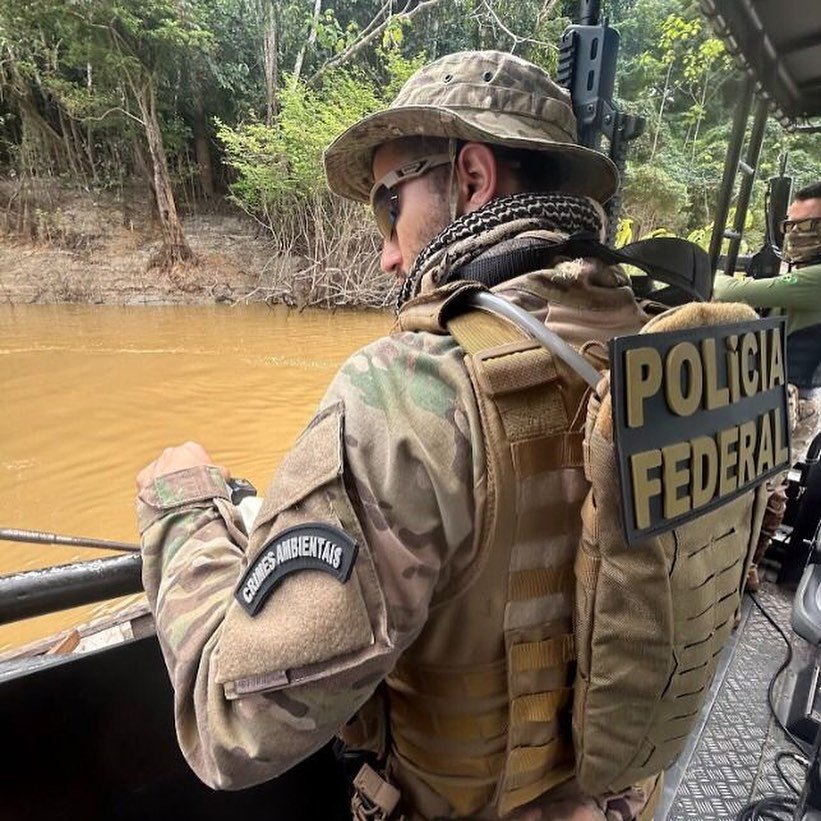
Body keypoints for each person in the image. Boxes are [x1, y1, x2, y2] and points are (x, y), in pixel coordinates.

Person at [136, 51, 681, 821]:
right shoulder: (662, 344)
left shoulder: (408, 391)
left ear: (471, 178)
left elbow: (237, 726)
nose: (388, 253)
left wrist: (183, 507)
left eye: (388, 206)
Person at [712, 182, 821, 589]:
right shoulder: (805, 275)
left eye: (805, 225)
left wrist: (721, 277)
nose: (793, 233)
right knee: (768, 486)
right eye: (789, 225)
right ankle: (746, 570)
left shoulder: (815, 279)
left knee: (759, 490)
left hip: (790, 395)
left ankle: (742, 572)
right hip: (793, 394)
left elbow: (726, 290)